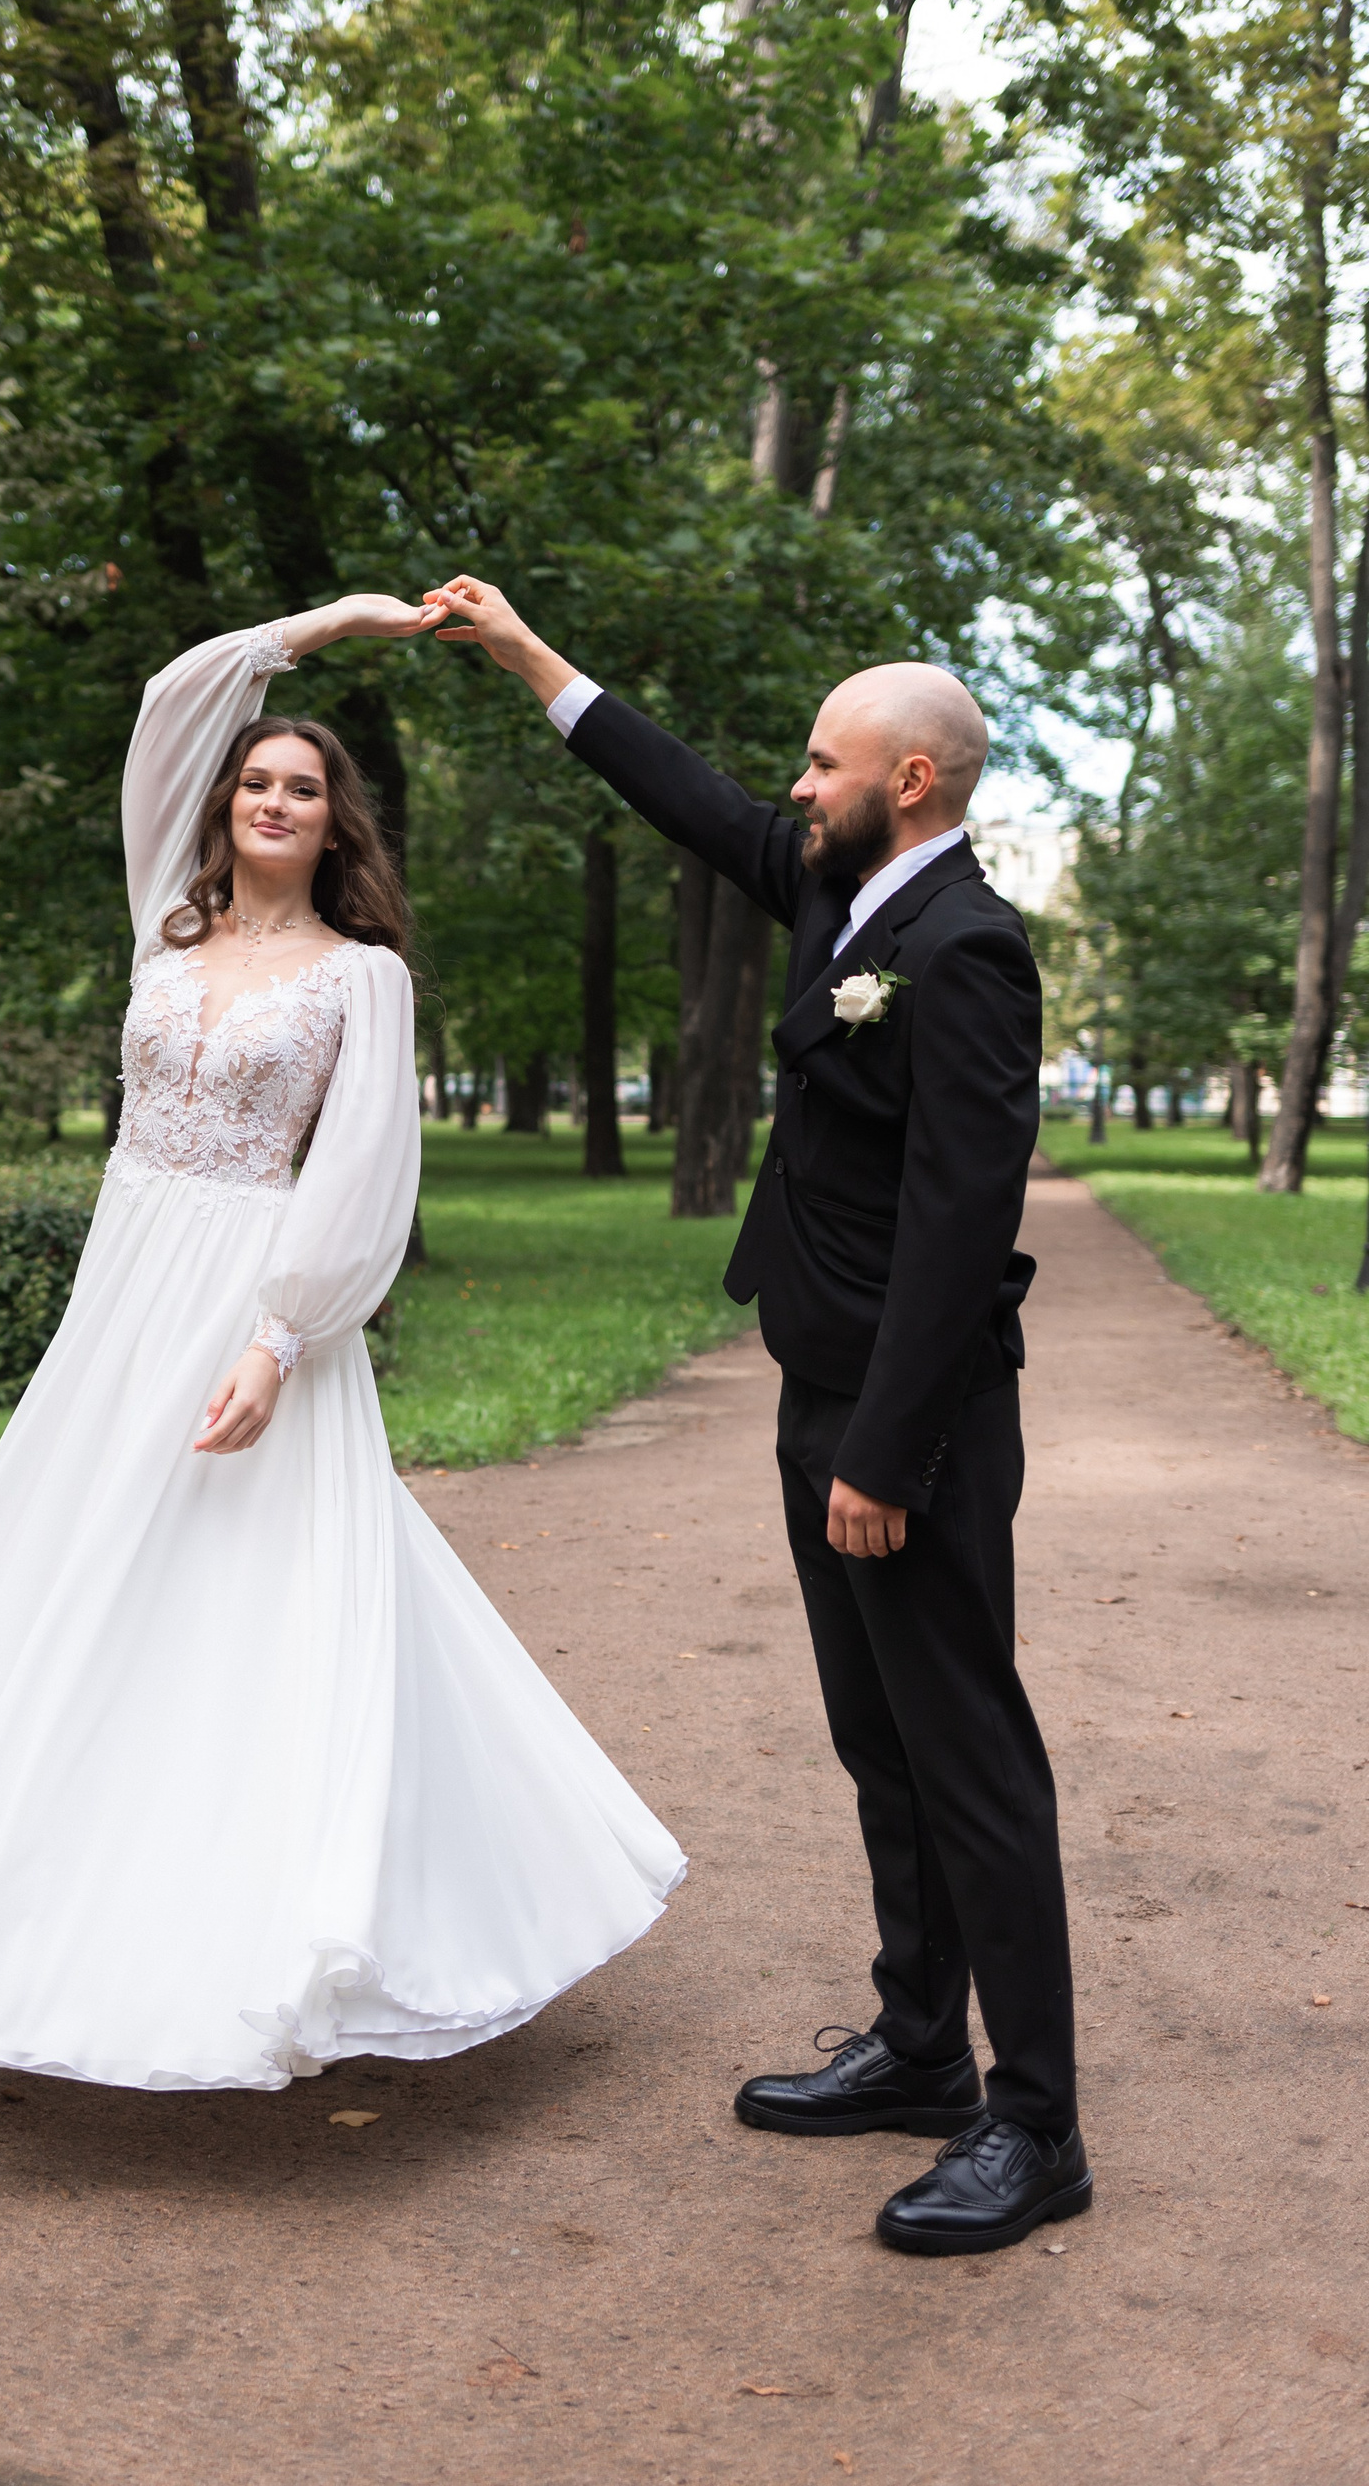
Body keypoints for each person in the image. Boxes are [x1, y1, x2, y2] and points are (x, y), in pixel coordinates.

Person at [0, 598, 682, 2092]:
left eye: (303, 788)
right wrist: (334, 627)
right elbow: (174, 701)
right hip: (126, 1284)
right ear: (226, 805)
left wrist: (281, 1337)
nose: (274, 802)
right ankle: (19, 1903)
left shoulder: (362, 978)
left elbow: (363, 1171)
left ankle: (304, 1900)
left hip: (248, 1287)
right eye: (256, 782)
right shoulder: (163, 929)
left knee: (260, 1577)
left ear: (335, 823)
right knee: (79, 1557)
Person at [427, 572, 1086, 2258]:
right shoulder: (842, 893)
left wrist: (886, 1452)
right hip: (822, 1394)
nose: (795, 785)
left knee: (970, 1760)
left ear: (909, 782)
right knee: (882, 1743)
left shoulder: (967, 949)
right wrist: (529, 660)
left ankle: (1037, 2127)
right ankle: (924, 2048)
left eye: (822, 762)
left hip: (908, 1428)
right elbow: (693, 799)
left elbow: (961, 1224)